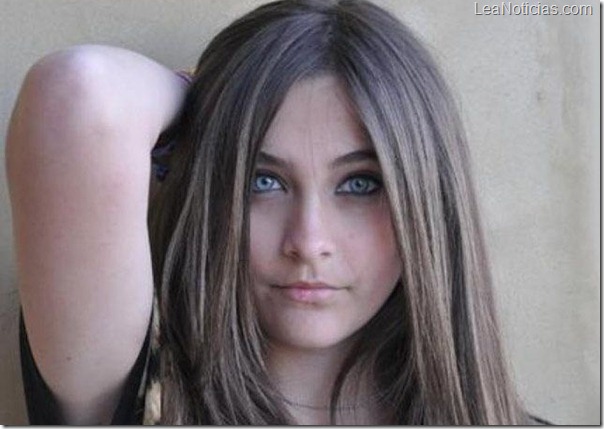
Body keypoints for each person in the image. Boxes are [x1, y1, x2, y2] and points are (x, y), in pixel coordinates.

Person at [6, 0, 550, 425]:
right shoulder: (143, 398)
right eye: (262, 181)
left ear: (425, 203)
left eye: (360, 184)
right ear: (212, 195)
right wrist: (217, 104)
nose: (308, 242)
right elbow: (79, 94)